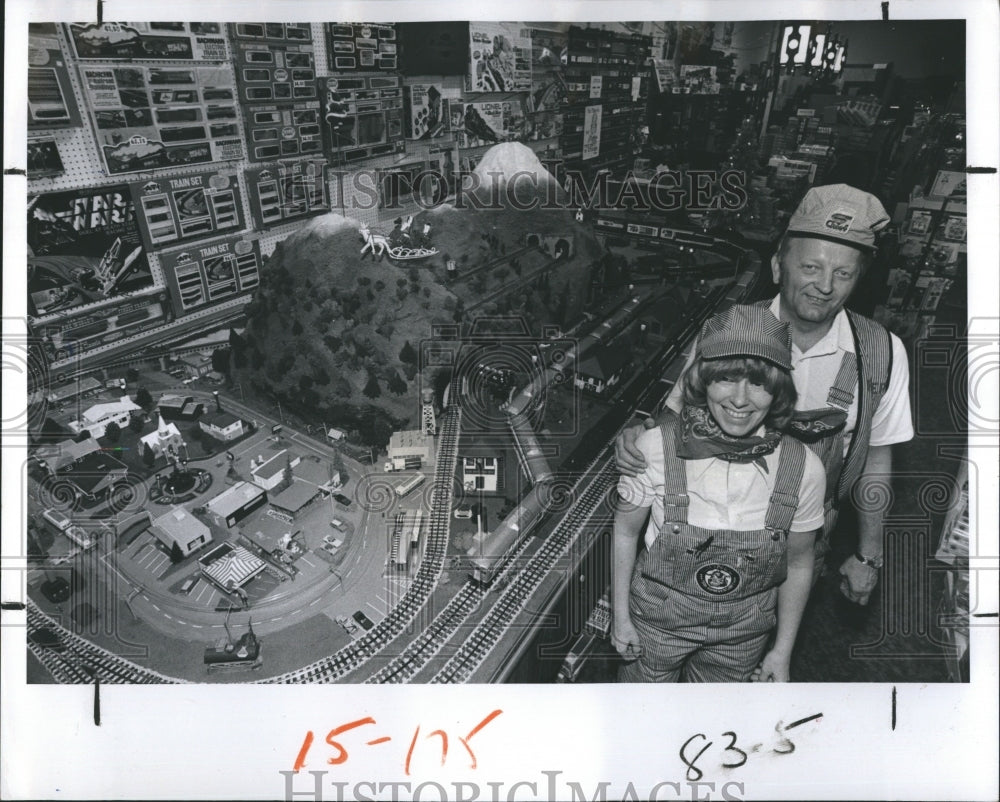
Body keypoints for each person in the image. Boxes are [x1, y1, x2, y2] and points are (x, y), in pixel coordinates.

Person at [616, 184, 913, 606]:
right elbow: (674, 420)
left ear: (858, 280)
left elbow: (877, 460)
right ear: (778, 266)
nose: (824, 286)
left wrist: (870, 554)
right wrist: (639, 438)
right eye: (810, 267)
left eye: (843, 274)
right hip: (699, 537)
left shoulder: (882, 352)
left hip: (803, 545)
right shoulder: (725, 331)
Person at [613, 305, 825, 682]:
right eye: (726, 378)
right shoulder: (655, 448)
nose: (740, 400)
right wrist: (620, 618)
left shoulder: (803, 468)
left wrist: (782, 651)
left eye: (758, 383)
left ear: (777, 390)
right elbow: (626, 532)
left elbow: (799, 563)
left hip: (743, 637)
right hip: (656, 626)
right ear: (703, 381)